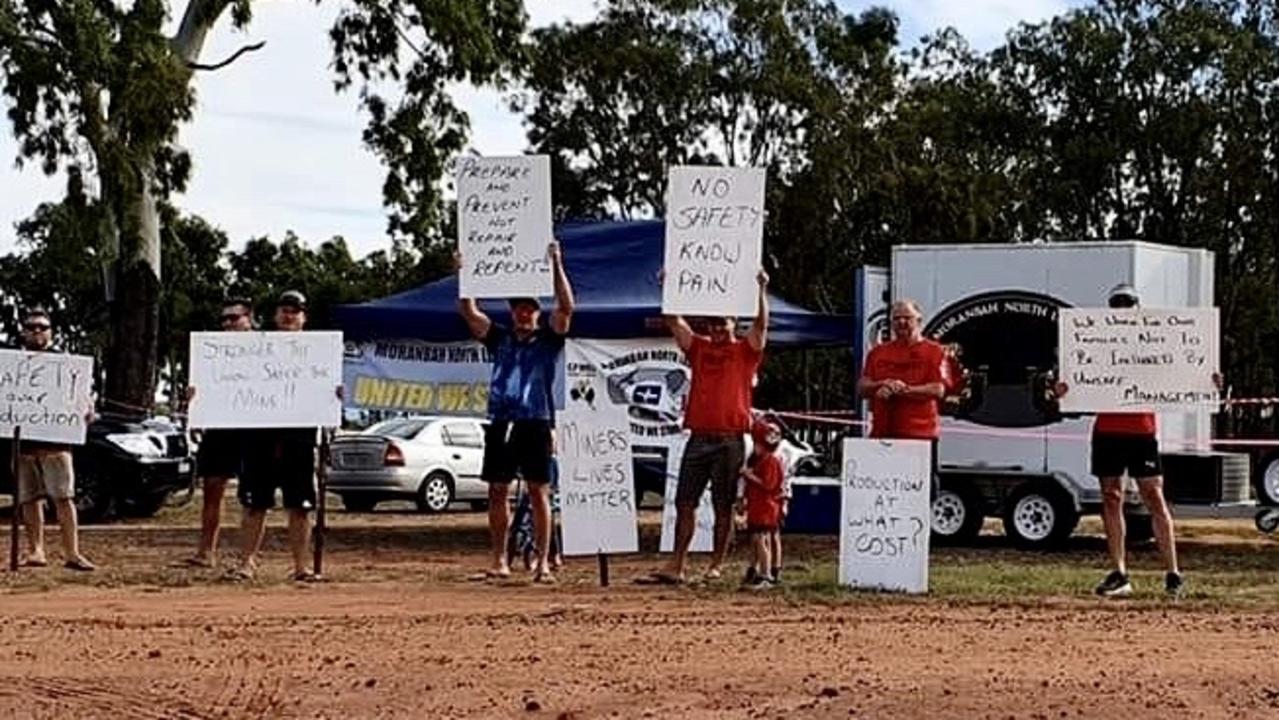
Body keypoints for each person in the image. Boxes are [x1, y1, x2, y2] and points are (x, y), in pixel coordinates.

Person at [1052, 284, 1187, 598]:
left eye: (1128, 303)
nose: (1123, 308)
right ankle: (1119, 572)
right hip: (1107, 431)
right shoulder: (1098, 344)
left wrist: (1208, 383)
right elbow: (1075, 383)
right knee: (1111, 497)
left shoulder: (1153, 345)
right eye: (1117, 304)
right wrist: (1063, 390)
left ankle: (1173, 573)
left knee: (1154, 496)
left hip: (1142, 431)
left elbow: (1183, 374)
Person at [638, 269, 770, 585]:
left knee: (723, 505)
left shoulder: (744, 351)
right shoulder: (699, 348)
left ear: (733, 325)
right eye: (712, 325)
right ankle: (677, 564)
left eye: (722, 324)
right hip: (698, 438)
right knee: (685, 501)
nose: (717, 330)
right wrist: (667, 286)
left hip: (730, 439)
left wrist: (762, 290)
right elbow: (674, 321)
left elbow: (761, 326)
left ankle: (715, 565)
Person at [459, 241, 575, 583]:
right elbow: (468, 310)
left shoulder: (549, 340)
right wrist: (464, 272)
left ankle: (542, 561)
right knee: (498, 489)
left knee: (540, 491)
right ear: (511, 312)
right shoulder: (500, 338)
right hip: (501, 421)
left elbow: (567, 307)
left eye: (529, 309)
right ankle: (499, 559)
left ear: (537, 312)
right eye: (518, 309)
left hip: (536, 421)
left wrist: (556, 263)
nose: (523, 314)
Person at [229, 290, 332, 582]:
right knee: (254, 503)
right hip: (259, 434)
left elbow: (329, 390)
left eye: (295, 311)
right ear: (275, 315)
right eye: (284, 310)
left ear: (304, 317)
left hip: (299, 436)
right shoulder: (255, 348)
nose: (289, 315)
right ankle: (246, 563)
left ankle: (301, 567)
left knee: (300, 505)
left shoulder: (318, 351)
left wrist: (334, 396)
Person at [13, 307, 95, 571]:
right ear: (23, 331)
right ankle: (36, 551)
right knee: (29, 499)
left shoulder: (66, 364)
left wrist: (88, 411)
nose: (37, 331)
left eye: (42, 327)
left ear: (51, 332)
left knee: (63, 497)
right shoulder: (11, 365)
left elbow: (82, 400)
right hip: (23, 445)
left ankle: (72, 553)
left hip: (57, 445)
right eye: (31, 326)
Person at [180, 298, 254, 568]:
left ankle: (247, 556)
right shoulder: (210, 351)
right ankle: (206, 552)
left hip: (253, 428)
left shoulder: (266, 349)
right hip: (220, 427)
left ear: (249, 320)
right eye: (224, 319)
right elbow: (200, 389)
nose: (227, 324)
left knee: (252, 495)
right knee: (212, 487)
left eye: (234, 318)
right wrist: (194, 404)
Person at [857, 299, 949, 490]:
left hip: (920, 436)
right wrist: (881, 385)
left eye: (907, 318)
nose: (901, 323)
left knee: (921, 491)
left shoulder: (935, 352)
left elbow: (938, 389)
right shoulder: (877, 352)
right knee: (882, 488)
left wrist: (903, 389)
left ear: (919, 320)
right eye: (896, 319)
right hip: (882, 435)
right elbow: (862, 387)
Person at [738, 420, 785, 590]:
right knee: (756, 540)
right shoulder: (760, 460)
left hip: (766, 508)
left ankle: (767, 574)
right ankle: (756, 570)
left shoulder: (770, 461)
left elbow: (769, 485)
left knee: (761, 540)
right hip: (758, 507)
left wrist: (748, 475)